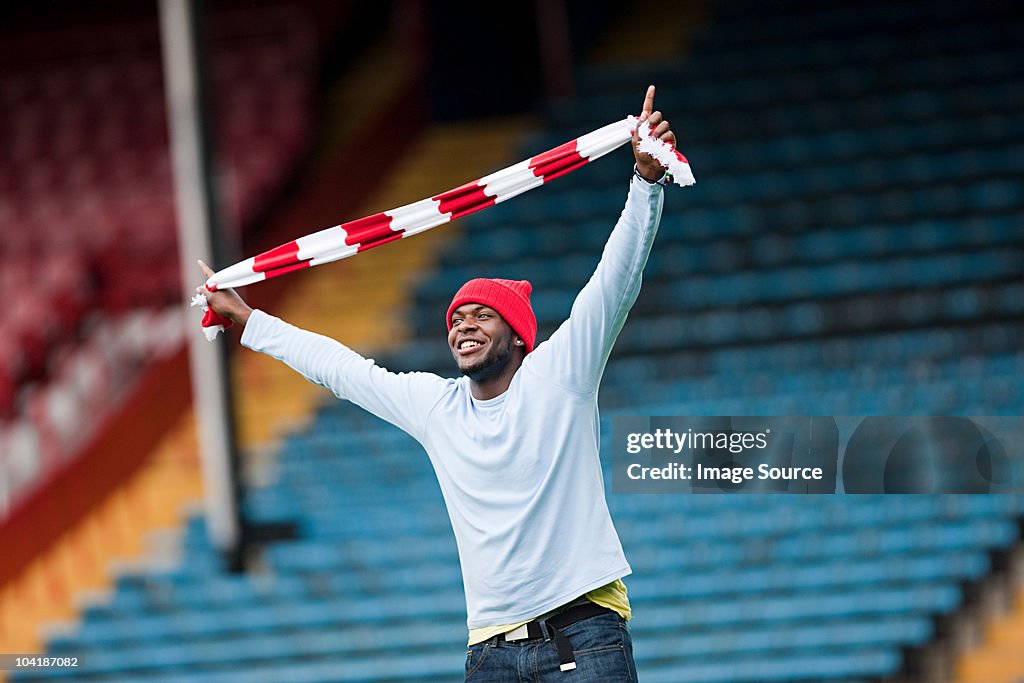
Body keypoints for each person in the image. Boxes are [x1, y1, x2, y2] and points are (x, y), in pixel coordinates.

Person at [198, 86, 675, 682]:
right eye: (455, 319)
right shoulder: (436, 407)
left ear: (520, 338)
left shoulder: (560, 375)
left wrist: (646, 184)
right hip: (490, 651)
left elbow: (615, 281)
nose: (463, 326)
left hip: (582, 632)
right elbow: (343, 370)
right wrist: (249, 321)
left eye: (481, 315)